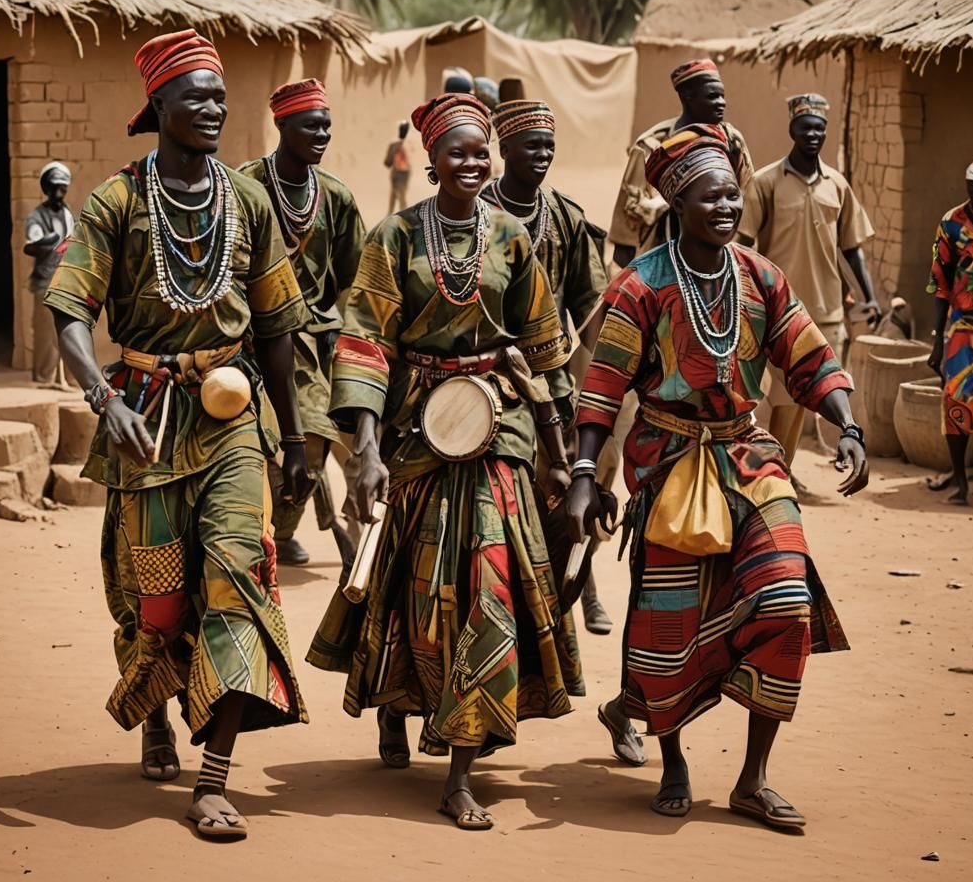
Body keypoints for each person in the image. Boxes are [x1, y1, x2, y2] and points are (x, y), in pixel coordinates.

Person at [46, 28, 315, 841]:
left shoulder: (251, 199)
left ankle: (214, 775)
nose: (212, 108)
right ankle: (158, 709)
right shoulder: (117, 201)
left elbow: (276, 326)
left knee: (240, 574)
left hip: (232, 418)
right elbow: (67, 310)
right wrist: (103, 395)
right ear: (156, 105)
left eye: (219, 96)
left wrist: (295, 441)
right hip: (145, 419)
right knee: (157, 599)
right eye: (194, 95)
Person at [567, 124, 867, 831]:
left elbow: (810, 355)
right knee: (671, 625)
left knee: (786, 600)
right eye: (712, 197)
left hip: (750, 457)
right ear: (677, 204)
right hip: (669, 463)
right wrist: (586, 472)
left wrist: (847, 423)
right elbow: (603, 387)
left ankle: (752, 779)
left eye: (733, 193)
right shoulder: (641, 285)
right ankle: (671, 759)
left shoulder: (761, 277)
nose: (728, 207)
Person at [307, 93, 584, 831]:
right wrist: (364, 452)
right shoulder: (393, 238)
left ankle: (460, 766)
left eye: (480, 151)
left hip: (498, 429)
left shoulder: (510, 240)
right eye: (457, 151)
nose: (472, 161)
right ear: (429, 161)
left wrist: (563, 455)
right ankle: (396, 701)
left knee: (489, 579)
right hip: (416, 433)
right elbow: (364, 341)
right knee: (412, 581)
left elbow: (547, 348)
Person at [480, 99, 614, 637]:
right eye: (532, 145)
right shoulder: (475, 210)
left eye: (549, 146)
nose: (542, 155)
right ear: (504, 149)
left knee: (566, 487)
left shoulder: (568, 219)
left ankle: (585, 589)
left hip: (552, 376)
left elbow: (590, 303)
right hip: (486, 376)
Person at [238, 79, 365, 568]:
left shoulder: (335, 197)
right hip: (250, 338)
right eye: (311, 125)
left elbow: (355, 279)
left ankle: (282, 528)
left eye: (327, 126)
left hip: (313, 344)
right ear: (281, 124)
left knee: (311, 436)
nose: (323, 134)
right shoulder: (247, 185)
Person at [739, 94, 878, 467]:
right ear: (792, 130)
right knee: (782, 397)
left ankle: (783, 469)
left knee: (808, 395)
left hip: (827, 310)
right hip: (778, 311)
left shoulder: (837, 185)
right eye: (805, 128)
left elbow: (851, 248)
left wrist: (870, 295)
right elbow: (743, 245)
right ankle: (775, 471)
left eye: (819, 128)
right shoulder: (766, 182)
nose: (812, 135)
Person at [608, 58, 754, 267]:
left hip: (719, 256)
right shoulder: (652, 145)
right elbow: (629, 220)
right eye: (712, 96)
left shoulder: (731, 141)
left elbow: (748, 197)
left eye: (722, 96)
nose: (721, 102)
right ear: (687, 96)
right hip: (662, 259)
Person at [925, 160, 973, 505]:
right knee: (956, 400)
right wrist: (936, 341)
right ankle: (960, 481)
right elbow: (940, 283)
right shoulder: (952, 224)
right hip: (962, 324)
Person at [24, 161, 76, 388]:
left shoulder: (68, 214)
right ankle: (45, 376)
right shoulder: (37, 216)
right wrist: (48, 243)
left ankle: (67, 377)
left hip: (66, 280)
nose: (58, 193)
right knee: (46, 330)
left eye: (62, 188)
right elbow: (32, 243)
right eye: (54, 187)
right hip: (46, 280)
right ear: (46, 188)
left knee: (68, 330)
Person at [383, 120, 412, 214]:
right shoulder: (408, 144)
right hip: (402, 173)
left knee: (397, 197)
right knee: (397, 197)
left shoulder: (395, 144)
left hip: (400, 173)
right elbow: (388, 162)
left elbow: (387, 162)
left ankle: (398, 218)